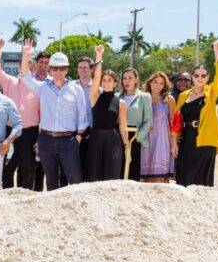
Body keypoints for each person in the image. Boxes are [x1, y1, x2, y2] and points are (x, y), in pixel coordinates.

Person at [20, 41, 89, 190]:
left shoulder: (76, 90)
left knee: (75, 179)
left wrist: (78, 136)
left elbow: (82, 116)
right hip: (46, 140)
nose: (58, 71)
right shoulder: (43, 88)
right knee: (51, 181)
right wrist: (26, 55)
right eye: (55, 68)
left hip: (68, 141)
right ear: (50, 70)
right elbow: (25, 77)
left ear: (67, 70)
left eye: (62, 68)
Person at [0, 39, 44, 191]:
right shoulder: (9, 82)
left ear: (31, 68)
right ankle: (8, 199)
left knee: (28, 169)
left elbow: (42, 114)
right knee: (7, 169)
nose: (25, 68)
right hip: (11, 133)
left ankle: (27, 199)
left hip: (30, 134)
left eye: (28, 65)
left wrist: (40, 136)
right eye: (23, 64)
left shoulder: (38, 88)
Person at [175, 40, 218, 187]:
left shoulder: (211, 92)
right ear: (192, 77)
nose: (200, 78)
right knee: (183, 175)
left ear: (207, 78)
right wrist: (174, 141)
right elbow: (177, 120)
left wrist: (216, 50)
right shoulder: (184, 95)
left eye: (203, 76)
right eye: (196, 75)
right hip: (187, 139)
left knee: (202, 181)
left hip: (205, 139)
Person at [85, 45, 128, 182]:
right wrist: (99, 56)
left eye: (110, 80)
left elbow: (123, 126)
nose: (106, 82)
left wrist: (127, 144)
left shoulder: (121, 103)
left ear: (115, 83)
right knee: (94, 175)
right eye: (104, 80)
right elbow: (96, 77)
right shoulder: (94, 96)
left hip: (113, 140)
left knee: (112, 175)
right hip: (96, 138)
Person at [141, 72, 177, 183]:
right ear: (150, 82)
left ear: (164, 86)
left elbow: (173, 123)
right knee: (145, 178)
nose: (157, 85)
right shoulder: (142, 98)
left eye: (161, 83)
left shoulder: (169, 99)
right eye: (155, 82)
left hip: (162, 141)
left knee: (160, 178)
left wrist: (174, 143)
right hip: (145, 140)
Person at [119, 68, 153, 182]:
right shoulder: (117, 96)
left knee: (132, 172)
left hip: (135, 139)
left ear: (136, 80)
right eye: (124, 78)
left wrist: (138, 138)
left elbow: (148, 121)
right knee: (119, 171)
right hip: (119, 138)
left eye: (130, 78)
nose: (127, 81)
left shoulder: (144, 97)